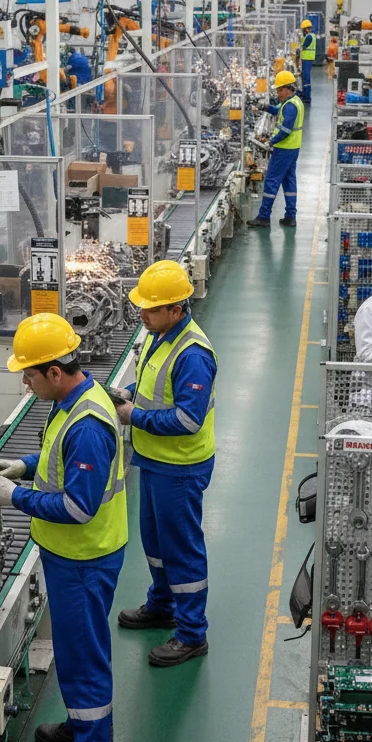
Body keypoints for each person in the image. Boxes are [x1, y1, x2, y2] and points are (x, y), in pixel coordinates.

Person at [0, 313, 126, 742]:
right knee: (72, 653)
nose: (24, 380)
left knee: (85, 660)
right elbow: (56, 464)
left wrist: (14, 498)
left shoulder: (86, 423)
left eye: (29, 372)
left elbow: (78, 506)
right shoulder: (70, 401)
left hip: (85, 558)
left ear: (54, 371)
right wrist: (22, 468)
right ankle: (79, 725)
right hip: (71, 557)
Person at [112, 260, 217, 668]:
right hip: (154, 461)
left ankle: (192, 634)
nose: (142, 314)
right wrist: (128, 392)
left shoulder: (193, 353)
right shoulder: (161, 335)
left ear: (176, 309)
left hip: (181, 468)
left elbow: (188, 420)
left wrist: (132, 415)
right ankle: (163, 605)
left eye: (151, 309)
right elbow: (157, 384)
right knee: (154, 544)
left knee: (182, 550)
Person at [247, 70, 304, 230]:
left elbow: (285, 130)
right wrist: (264, 107)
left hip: (284, 150)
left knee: (271, 181)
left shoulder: (291, 106)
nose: (278, 93)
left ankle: (264, 217)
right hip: (293, 149)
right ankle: (290, 216)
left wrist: (270, 142)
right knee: (289, 181)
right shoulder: (294, 101)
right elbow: (278, 111)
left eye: (279, 90)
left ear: (287, 89)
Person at [298, 18, 316, 104]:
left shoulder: (309, 36)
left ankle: (307, 97)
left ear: (306, 29)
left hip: (307, 59)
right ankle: (305, 94)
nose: (303, 31)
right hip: (306, 59)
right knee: (304, 77)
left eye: (303, 30)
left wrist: (301, 39)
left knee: (306, 78)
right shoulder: (310, 36)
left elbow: (304, 46)